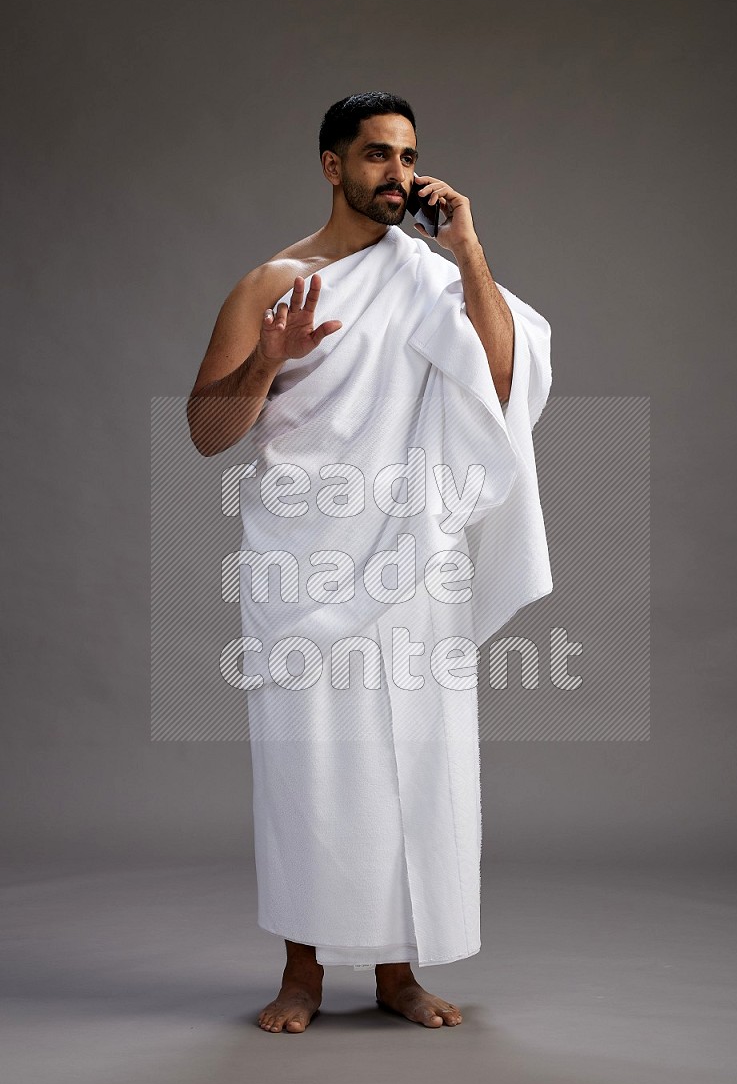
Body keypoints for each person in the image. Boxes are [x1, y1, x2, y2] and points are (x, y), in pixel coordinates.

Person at [187, 92, 554, 1033]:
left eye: (409, 156)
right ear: (331, 164)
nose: (399, 174)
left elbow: (503, 380)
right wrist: (267, 360)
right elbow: (207, 431)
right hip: (302, 566)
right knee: (309, 768)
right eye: (378, 155)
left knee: (412, 761)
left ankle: (397, 973)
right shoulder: (273, 281)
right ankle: (302, 974)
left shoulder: (432, 277)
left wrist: (468, 247)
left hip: (412, 561)